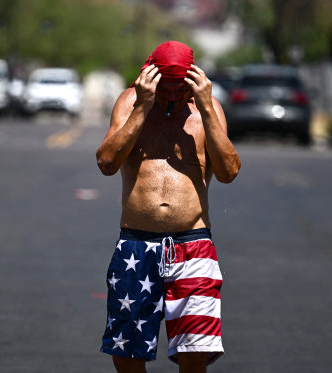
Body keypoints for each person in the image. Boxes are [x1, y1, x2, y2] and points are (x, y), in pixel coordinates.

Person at [96, 41, 241, 373]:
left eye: (180, 91)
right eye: (165, 90)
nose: (172, 98)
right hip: (136, 244)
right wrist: (143, 107)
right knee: (127, 355)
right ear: (150, 78)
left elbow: (229, 172)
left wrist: (205, 106)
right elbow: (106, 162)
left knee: (194, 353)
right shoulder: (130, 102)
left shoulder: (209, 109)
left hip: (193, 246)